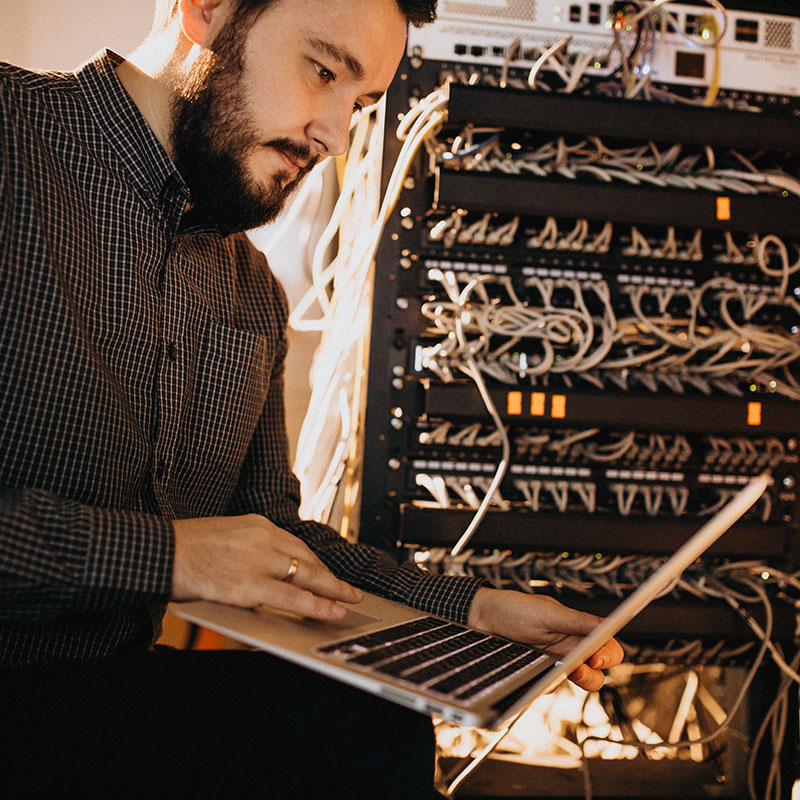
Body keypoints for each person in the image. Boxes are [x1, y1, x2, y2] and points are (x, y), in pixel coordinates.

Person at [0, 0, 624, 796]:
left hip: (87, 705)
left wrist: (469, 612)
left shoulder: (252, 292)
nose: (334, 135)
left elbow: (276, 538)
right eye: (323, 71)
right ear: (207, 9)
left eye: (358, 104)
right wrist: (170, 556)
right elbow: (201, 555)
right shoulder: (10, 139)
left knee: (373, 719)